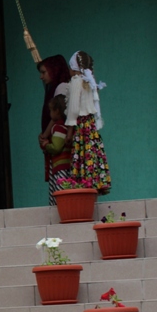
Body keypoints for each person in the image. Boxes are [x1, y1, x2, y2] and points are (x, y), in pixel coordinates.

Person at [65, 50, 110, 194]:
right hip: (90, 125)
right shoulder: (89, 82)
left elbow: (73, 108)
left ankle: (83, 184)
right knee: (90, 152)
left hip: (81, 124)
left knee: (81, 152)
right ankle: (95, 181)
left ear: (73, 68)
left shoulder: (76, 82)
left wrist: (69, 132)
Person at [36, 55, 72, 190]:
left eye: (44, 72)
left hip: (59, 144)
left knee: (59, 184)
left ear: (54, 70)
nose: (41, 77)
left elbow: (56, 115)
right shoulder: (57, 87)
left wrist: (45, 135)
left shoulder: (61, 88)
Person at [41, 94, 72, 204]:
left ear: (57, 111)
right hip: (61, 168)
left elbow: (56, 147)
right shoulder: (66, 127)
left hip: (61, 169)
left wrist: (46, 145)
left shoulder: (59, 127)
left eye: (51, 111)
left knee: (60, 197)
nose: (50, 114)